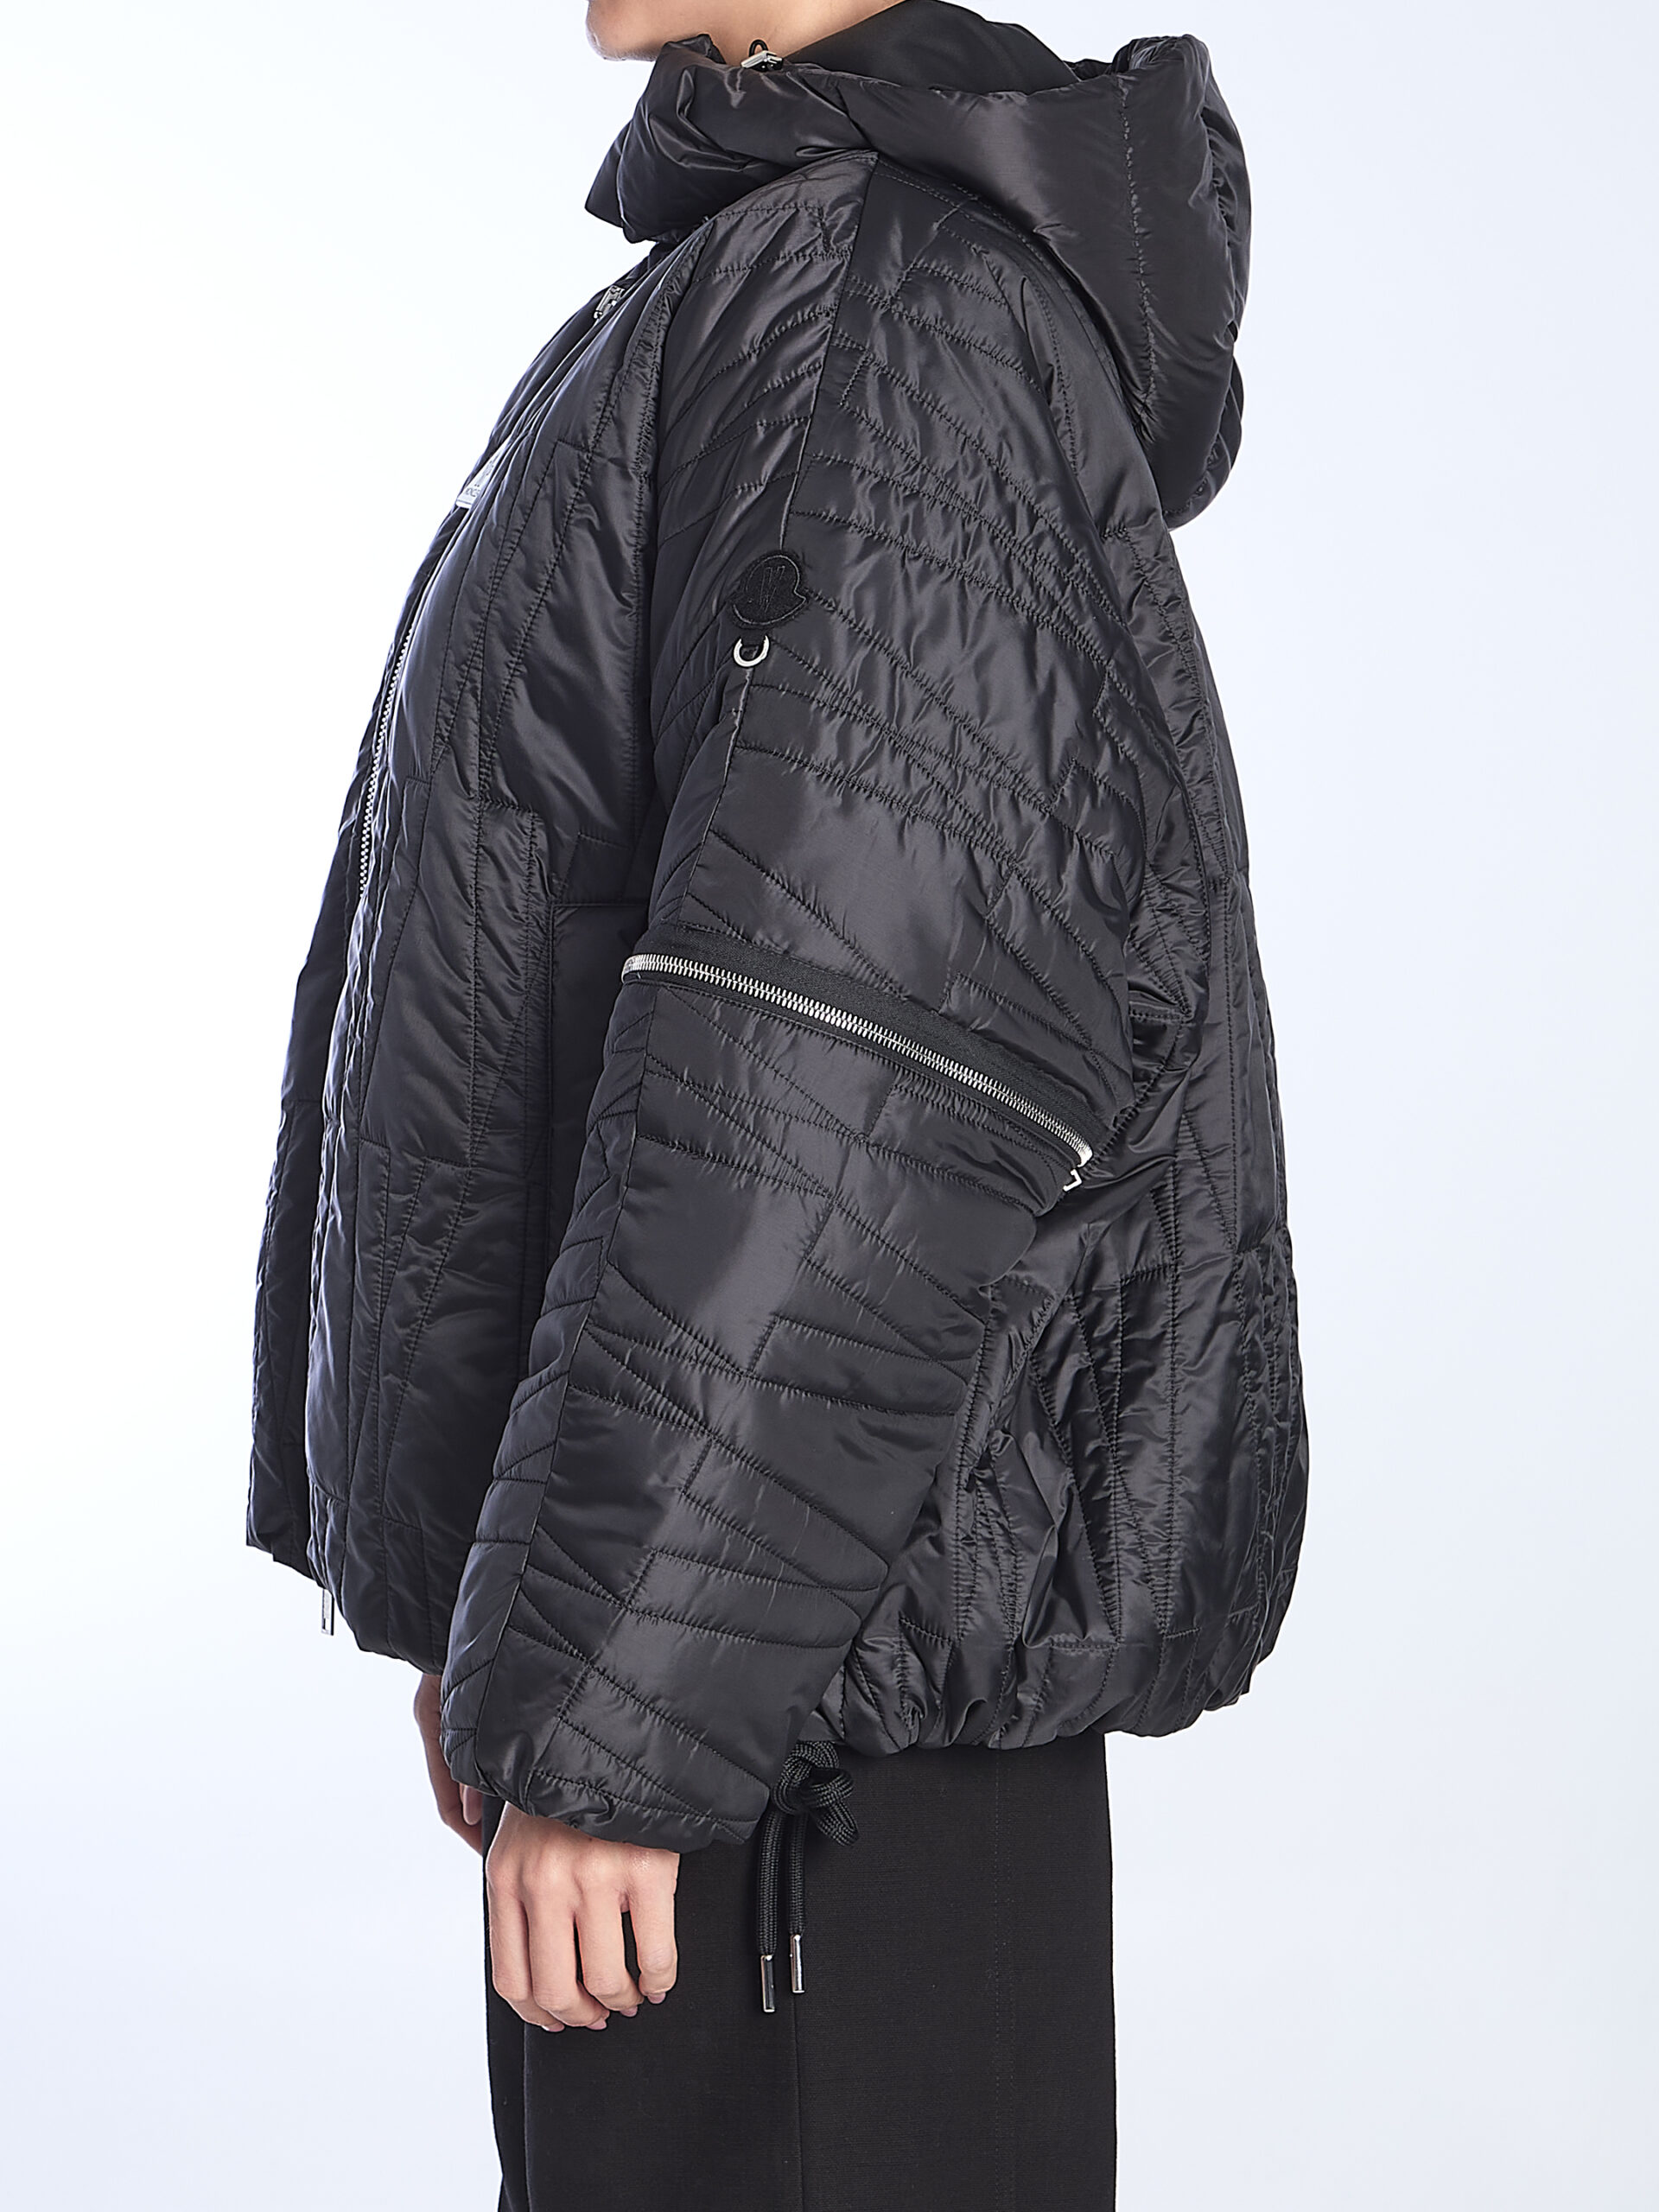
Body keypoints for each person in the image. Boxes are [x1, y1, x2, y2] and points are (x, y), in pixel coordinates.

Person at [248, 3, 1308, 2204]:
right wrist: (531, 1628)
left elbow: (842, 1066)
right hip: (752, 1683)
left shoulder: (891, 318)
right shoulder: (782, 282)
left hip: (794, 1736)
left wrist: (619, 1696)